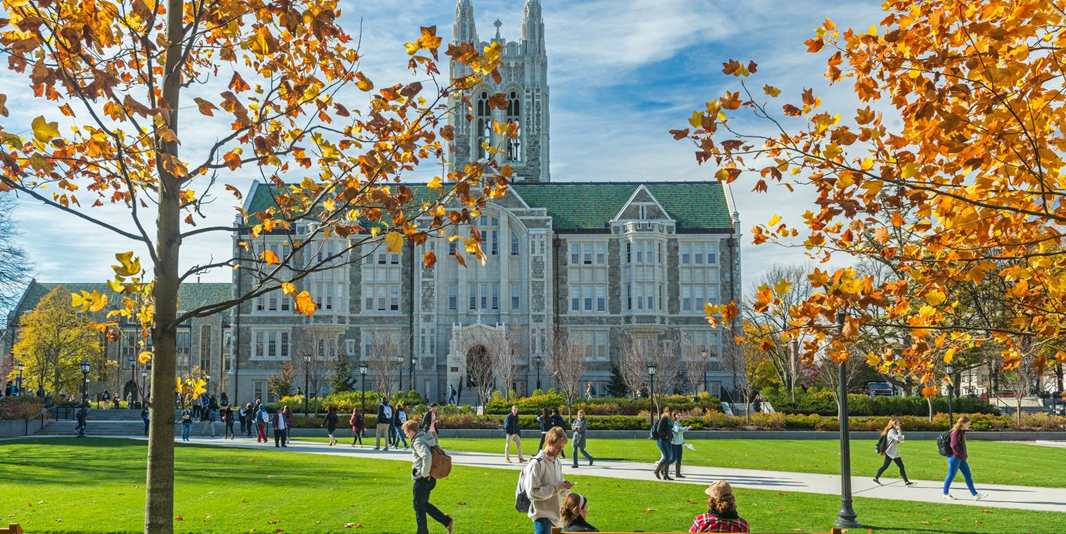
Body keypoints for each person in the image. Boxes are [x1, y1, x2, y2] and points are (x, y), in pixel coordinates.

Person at [404, 419, 454, 534]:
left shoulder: (418, 442)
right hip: (431, 478)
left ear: (411, 431)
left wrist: (424, 473)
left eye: (406, 432)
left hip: (423, 478)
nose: (406, 435)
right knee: (422, 503)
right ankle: (446, 521)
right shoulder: (426, 438)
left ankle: (422, 532)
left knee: (418, 505)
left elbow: (426, 456)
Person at [526, 426, 573, 534]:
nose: (560, 451)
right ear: (548, 442)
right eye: (558, 448)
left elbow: (559, 486)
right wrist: (558, 487)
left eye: (562, 449)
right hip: (543, 518)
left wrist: (566, 489)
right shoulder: (536, 463)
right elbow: (532, 493)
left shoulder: (557, 462)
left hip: (557, 518)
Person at [943, 416, 987, 500]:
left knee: (968, 475)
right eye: (968, 423)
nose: (969, 425)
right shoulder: (956, 432)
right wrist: (960, 454)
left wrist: (963, 455)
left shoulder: (961, 431)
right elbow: (954, 445)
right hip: (955, 458)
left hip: (960, 458)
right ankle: (945, 493)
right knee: (951, 475)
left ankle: (975, 494)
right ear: (963, 423)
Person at [873, 417, 915, 486]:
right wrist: (899, 431)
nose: (899, 424)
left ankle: (906, 482)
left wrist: (899, 437)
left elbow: (899, 439)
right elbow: (898, 438)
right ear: (894, 424)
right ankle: (875, 478)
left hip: (894, 452)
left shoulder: (893, 430)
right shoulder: (891, 431)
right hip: (890, 452)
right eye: (898, 423)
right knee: (885, 466)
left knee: (901, 466)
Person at [653, 406, 675, 480]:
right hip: (662, 440)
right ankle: (657, 470)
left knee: (669, 458)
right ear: (668, 411)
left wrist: (671, 435)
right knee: (666, 457)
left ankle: (665, 475)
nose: (673, 413)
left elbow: (669, 429)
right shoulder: (664, 418)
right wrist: (665, 436)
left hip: (668, 440)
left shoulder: (669, 419)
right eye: (671, 412)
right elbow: (659, 429)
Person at [671, 410, 692, 479]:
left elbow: (681, 435)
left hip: (679, 444)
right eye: (678, 415)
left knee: (679, 458)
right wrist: (687, 428)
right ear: (674, 416)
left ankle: (678, 473)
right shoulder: (674, 423)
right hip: (674, 444)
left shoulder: (679, 423)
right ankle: (663, 468)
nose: (680, 416)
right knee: (673, 458)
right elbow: (678, 430)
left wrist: (683, 443)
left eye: (680, 415)